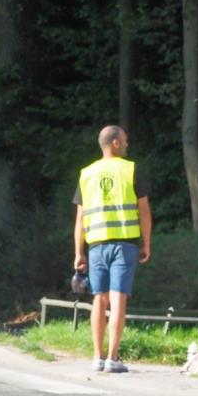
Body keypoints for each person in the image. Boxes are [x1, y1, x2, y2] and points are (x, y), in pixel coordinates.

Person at [73, 125, 152, 373]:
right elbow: (144, 211)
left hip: (96, 245)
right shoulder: (131, 169)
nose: (127, 144)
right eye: (125, 140)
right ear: (115, 143)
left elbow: (80, 218)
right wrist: (146, 243)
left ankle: (97, 357)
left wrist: (78, 252)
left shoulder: (86, 174)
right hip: (125, 243)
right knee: (118, 299)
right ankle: (112, 358)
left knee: (99, 299)